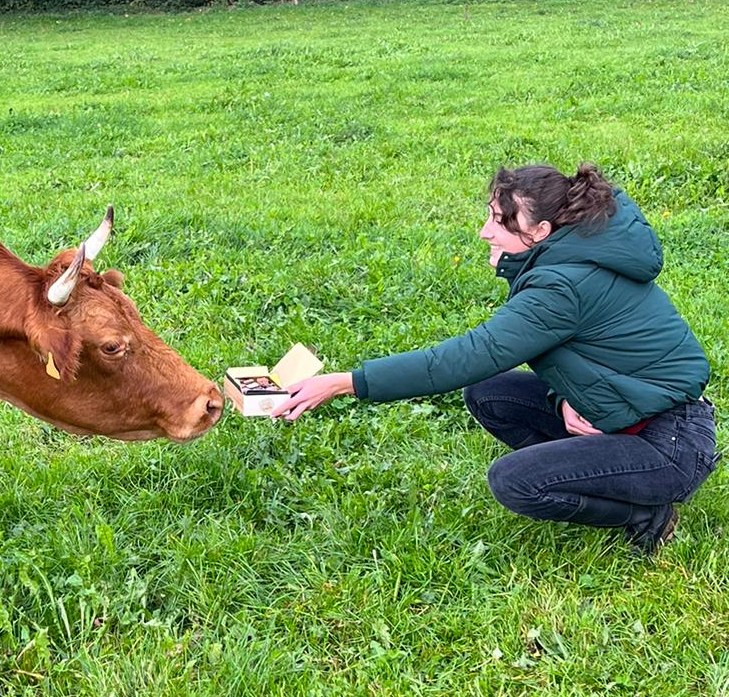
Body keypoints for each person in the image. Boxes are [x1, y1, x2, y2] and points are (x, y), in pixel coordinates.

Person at [272, 163, 719, 554]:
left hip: (670, 444)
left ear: (540, 232)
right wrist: (562, 397)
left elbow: (467, 355)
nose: (486, 231)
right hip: (640, 417)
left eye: (500, 221)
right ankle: (593, 474)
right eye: (489, 215)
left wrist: (345, 382)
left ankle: (646, 515)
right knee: (491, 393)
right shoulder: (574, 258)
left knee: (516, 482)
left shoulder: (561, 286)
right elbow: (588, 352)